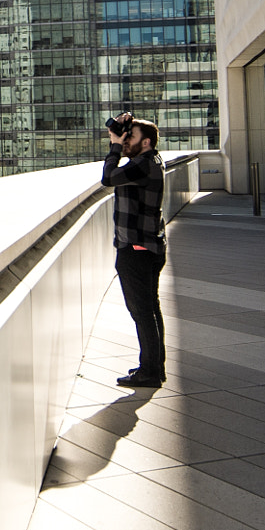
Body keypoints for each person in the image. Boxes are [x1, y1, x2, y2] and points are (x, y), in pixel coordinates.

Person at [101, 111, 165, 389]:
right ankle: (153, 367)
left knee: (142, 312)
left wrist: (115, 146)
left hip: (136, 249)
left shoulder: (143, 165)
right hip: (149, 246)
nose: (127, 142)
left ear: (147, 142)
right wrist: (123, 133)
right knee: (150, 309)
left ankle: (150, 372)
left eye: (132, 138)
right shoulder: (150, 161)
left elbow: (109, 178)